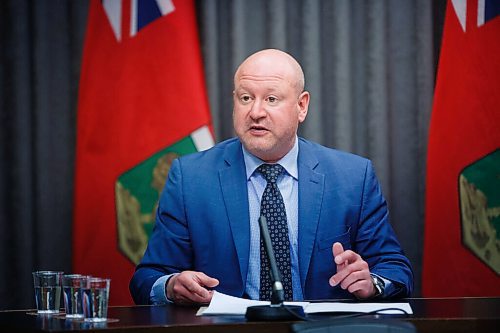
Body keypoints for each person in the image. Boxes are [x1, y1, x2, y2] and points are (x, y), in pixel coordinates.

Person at [129, 49, 413, 305]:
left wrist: (372, 283)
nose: (255, 112)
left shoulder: (352, 177)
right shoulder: (190, 178)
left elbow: (395, 269)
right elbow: (147, 278)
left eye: (272, 99)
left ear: (301, 106)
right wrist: (170, 285)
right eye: (245, 98)